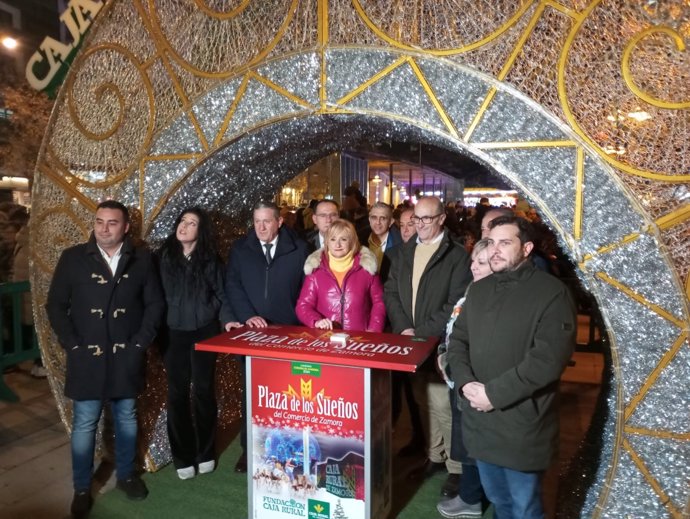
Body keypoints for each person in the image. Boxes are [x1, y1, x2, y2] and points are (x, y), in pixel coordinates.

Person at [447, 216, 576, 519]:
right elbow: (458, 342)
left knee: (525, 507)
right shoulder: (478, 290)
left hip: (521, 426)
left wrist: (494, 394)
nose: (495, 250)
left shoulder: (552, 294)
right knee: (499, 500)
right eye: (491, 242)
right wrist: (465, 383)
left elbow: (547, 361)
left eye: (505, 242)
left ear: (527, 247)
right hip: (481, 424)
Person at [45, 200, 165, 519]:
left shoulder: (142, 259)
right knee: (85, 422)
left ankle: (126, 475)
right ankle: (82, 487)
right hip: (87, 357)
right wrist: (72, 344)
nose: (104, 228)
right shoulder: (73, 258)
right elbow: (55, 305)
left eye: (112, 223)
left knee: (126, 417)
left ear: (126, 227)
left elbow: (155, 304)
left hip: (127, 355)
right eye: (99, 221)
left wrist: (140, 343)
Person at [384, 196, 472, 498]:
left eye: (426, 219)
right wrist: (402, 328)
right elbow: (391, 292)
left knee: (444, 405)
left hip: (437, 345)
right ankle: (435, 457)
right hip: (409, 340)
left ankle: (456, 468)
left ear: (442, 219)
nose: (420, 225)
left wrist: (420, 333)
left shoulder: (457, 257)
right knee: (423, 402)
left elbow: (454, 305)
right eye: (416, 219)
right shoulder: (404, 252)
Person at [157, 207, 241, 480]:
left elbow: (223, 294)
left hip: (204, 332)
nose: (184, 226)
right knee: (177, 394)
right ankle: (183, 456)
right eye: (182, 220)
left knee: (204, 392)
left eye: (192, 223)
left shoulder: (210, 260)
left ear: (200, 231)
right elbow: (151, 296)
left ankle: (205, 452)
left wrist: (226, 319)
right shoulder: (162, 257)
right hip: (173, 333)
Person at [225, 200, 309, 473]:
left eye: (267, 221)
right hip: (252, 334)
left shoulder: (299, 249)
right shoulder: (241, 249)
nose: (261, 227)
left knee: (286, 396)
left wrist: (298, 324)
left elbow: (306, 290)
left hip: (288, 333)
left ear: (279, 222)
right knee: (253, 394)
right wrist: (247, 314)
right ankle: (249, 451)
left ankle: (288, 453)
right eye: (257, 221)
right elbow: (233, 285)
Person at [435, 239, 492, 518]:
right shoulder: (472, 290)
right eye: (473, 261)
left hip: (474, 383)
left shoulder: (490, 296)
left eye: (481, 263)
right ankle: (470, 495)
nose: (474, 267)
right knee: (466, 441)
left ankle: (472, 498)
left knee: (476, 444)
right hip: (459, 379)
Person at [296, 219, 385, 332]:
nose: (337, 244)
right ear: (327, 242)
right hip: (326, 338)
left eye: (343, 239)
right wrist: (316, 321)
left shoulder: (367, 268)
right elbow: (303, 305)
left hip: (360, 340)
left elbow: (379, 303)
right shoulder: (316, 270)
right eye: (333, 239)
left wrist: (374, 330)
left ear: (352, 242)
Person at [358, 202, 401, 272]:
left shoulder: (400, 245)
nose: (378, 222)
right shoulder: (358, 240)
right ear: (369, 219)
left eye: (383, 218)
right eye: (374, 217)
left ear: (391, 222)